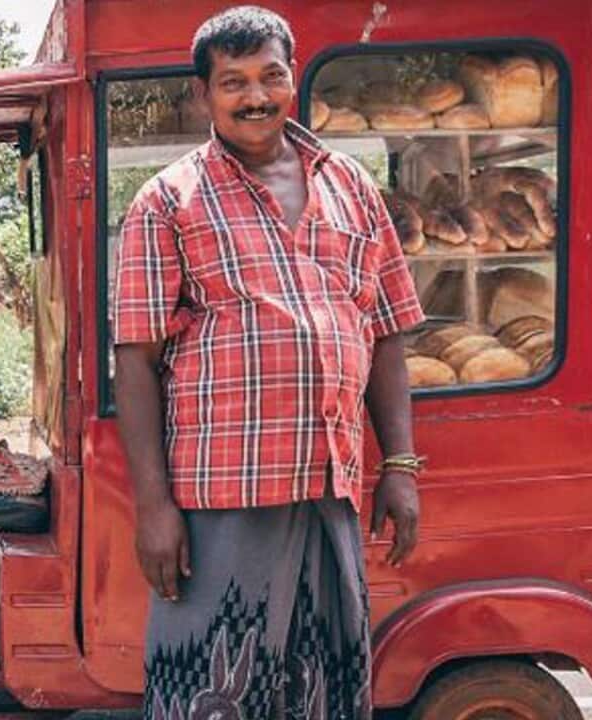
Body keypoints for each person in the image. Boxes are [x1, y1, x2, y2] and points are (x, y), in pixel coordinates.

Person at [111, 6, 426, 719]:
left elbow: (385, 333)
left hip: (328, 486)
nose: (255, 96)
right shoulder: (168, 201)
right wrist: (153, 507)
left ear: (293, 77)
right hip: (223, 497)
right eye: (233, 82)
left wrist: (401, 466)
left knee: (324, 690)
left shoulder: (351, 187)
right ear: (204, 94)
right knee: (212, 687)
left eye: (270, 76)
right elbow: (135, 360)